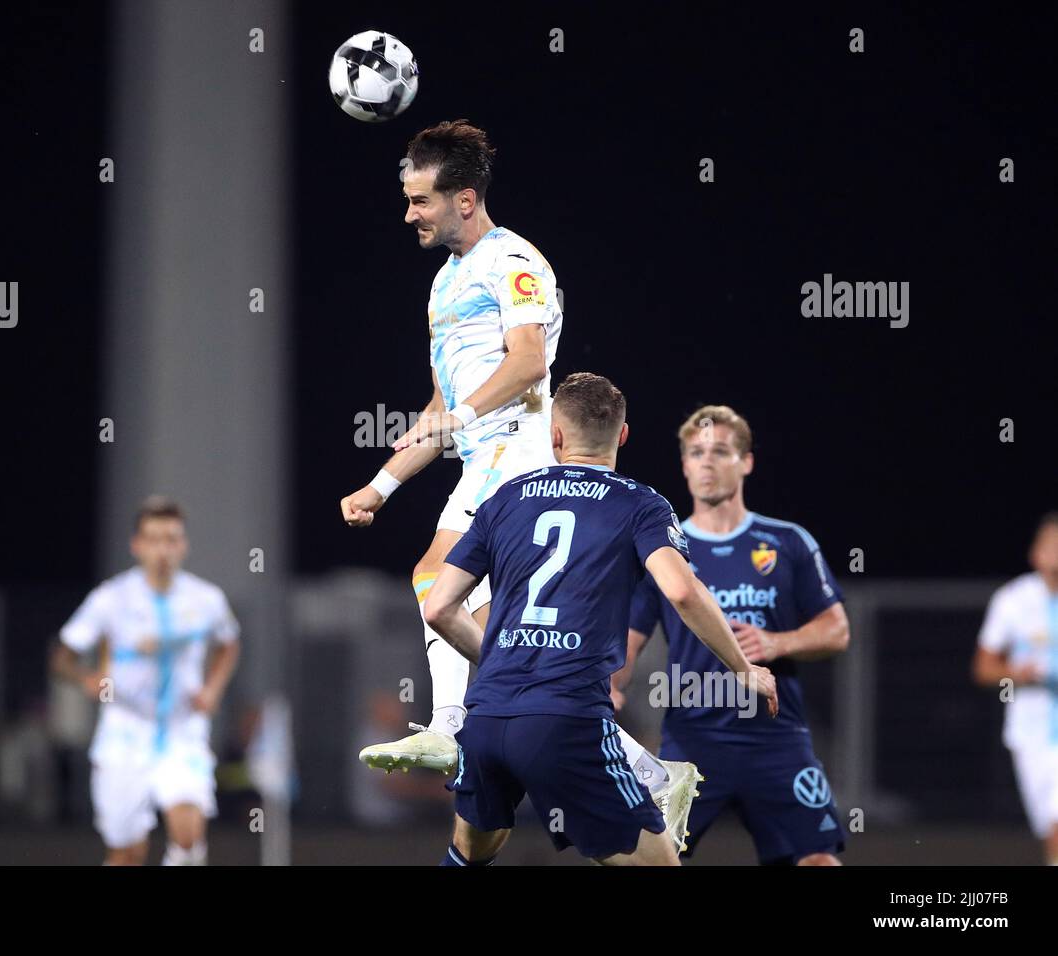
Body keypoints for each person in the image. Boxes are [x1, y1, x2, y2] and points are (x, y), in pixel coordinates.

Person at [340, 121, 698, 846]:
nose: (410, 213)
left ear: (464, 199)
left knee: (437, 582)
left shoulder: (514, 262)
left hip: (526, 453)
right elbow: (442, 408)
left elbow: (531, 362)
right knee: (515, 644)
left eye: (420, 201)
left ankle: (448, 725)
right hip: (484, 458)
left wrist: (468, 415)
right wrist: (381, 484)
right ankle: (649, 770)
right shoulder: (443, 285)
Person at [421, 373, 777, 865]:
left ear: (555, 435)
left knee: (467, 855)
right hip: (567, 723)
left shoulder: (504, 499)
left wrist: (503, 658)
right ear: (623, 435)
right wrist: (742, 670)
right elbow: (682, 591)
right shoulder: (640, 505)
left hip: (487, 720)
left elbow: (438, 607)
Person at [619, 406, 850, 865]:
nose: (707, 462)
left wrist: (777, 643)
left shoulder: (788, 542)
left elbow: (837, 630)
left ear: (746, 461)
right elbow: (627, 640)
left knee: (817, 860)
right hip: (691, 744)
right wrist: (608, 688)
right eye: (697, 453)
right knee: (651, 859)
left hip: (777, 740)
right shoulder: (664, 552)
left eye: (721, 451)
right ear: (684, 465)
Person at [51, 496, 240, 865]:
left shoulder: (206, 599)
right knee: (127, 853)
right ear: (137, 546)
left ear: (183, 545)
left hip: (182, 730)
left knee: (188, 838)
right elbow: (63, 656)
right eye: (153, 539)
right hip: (125, 733)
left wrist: (213, 688)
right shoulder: (110, 598)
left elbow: (229, 643)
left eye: (171, 539)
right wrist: (86, 679)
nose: (163, 550)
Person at [973, 512, 1058, 865]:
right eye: (1052, 545)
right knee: (1050, 827)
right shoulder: (1013, 600)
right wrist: (1019, 675)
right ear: (1035, 553)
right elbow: (983, 668)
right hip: (1033, 732)